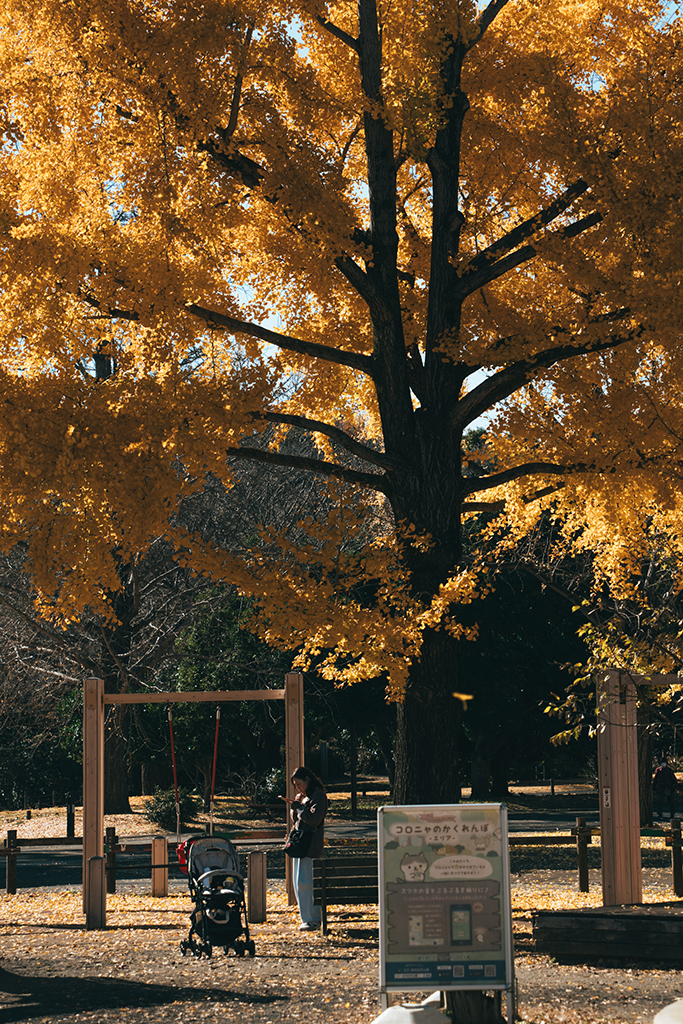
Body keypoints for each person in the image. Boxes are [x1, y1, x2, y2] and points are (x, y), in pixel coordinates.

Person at [281, 766, 328, 931]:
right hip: (301, 844)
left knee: (307, 882)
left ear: (308, 779)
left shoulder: (318, 796)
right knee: (299, 882)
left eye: (299, 783)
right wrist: (296, 805)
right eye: (295, 785)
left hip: (311, 845)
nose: (298, 788)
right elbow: (298, 821)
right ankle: (307, 918)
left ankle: (312, 919)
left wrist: (300, 807)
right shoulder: (305, 797)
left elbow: (313, 819)